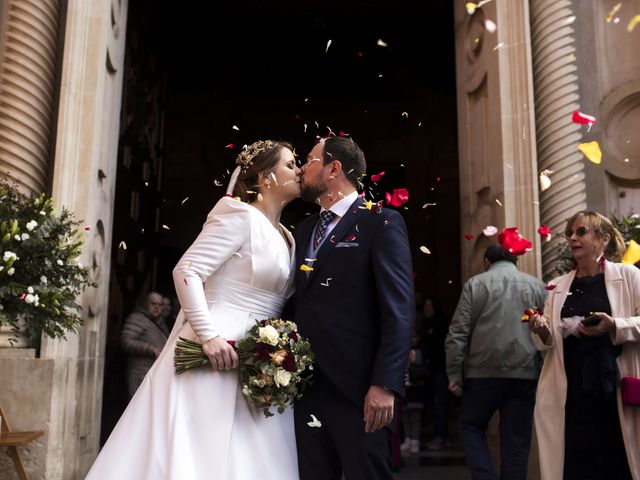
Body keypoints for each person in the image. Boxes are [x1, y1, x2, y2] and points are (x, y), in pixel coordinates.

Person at [86, 140, 302, 479]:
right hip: (217, 351)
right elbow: (187, 271)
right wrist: (208, 335)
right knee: (202, 449)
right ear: (265, 176)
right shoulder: (238, 216)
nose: (299, 170)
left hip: (263, 358)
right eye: (290, 164)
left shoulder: (288, 236)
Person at [292, 136, 414, 480]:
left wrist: (386, 384)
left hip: (360, 390)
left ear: (334, 169)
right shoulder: (303, 231)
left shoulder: (381, 222)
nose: (302, 168)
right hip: (306, 388)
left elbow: (399, 310)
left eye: (310, 160)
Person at [528, 211, 640, 480]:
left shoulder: (629, 276)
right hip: (571, 391)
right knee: (575, 463)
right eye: (570, 233)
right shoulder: (557, 287)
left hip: (613, 387)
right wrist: (541, 330)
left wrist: (614, 324)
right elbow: (549, 342)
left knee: (618, 460)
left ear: (603, 239)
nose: (572, 238)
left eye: (581, 232)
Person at [445, 244, 547, 480]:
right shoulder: (537, 285)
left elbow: (458, 333)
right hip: (525, 374)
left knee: (470, 426)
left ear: (486, 262)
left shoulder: (475, 284)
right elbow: (547, 330)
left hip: (482, 374)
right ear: (516, 262)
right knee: (517, 442)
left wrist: (454, 374)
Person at [120, 291, 169, 399]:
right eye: (153, 304)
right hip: (139, 373)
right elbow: (126, 341)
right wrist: (152, 350)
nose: (157, 307)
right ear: (146, 303)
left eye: (160, 305)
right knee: (137, 409)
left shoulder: (160, 322)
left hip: (154, 374)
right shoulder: (137, 318)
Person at [420, 295, 449, 451]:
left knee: (439, 404)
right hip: (427, 371)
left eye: (430, 306)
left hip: (439, 369)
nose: (427, 309)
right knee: (429, 404)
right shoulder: (423, 325)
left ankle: (441, 435)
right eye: (425, 306)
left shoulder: (441, 324)